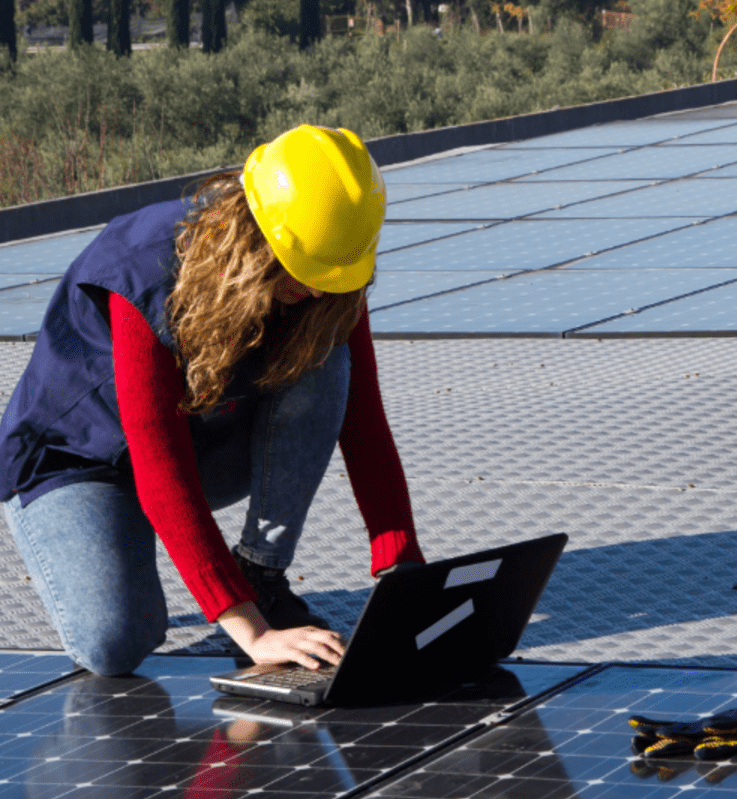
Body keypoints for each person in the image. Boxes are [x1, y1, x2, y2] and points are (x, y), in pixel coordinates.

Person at [0, 124, 424, 677]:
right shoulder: (146, 273)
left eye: (331, 275)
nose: (319, 289)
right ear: (256, 237)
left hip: (202, 439)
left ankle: (262, 576)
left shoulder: (331, 271)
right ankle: (123, 541)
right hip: (80, 463)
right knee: (116, 642)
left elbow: (363, 425)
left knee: (328, 361)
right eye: (306, 272)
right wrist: (252, 634)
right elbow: (159, 462)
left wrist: (405, 576)